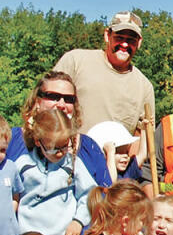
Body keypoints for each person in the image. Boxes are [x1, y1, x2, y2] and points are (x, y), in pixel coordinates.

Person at [12, 108, 101, 235]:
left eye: (64, 146)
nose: (60, 152)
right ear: (38, 142)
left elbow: (89, 194)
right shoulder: (24, 165)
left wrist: (78, 221)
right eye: (54, 148)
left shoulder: (73, 164)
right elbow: (11, 196)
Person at [53, 11, 155, 160]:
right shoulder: (75, 61)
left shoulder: (144, 87)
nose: (125, 44)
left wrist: (129, 172)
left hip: (112, 173)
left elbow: (140, 138)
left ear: (139, 43)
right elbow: (46, 105)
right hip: (66, 160)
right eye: (119, 37)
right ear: (107, 35)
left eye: (131, 40)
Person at [4, 71, 114, 193]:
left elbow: (105, 194)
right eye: (53, 96)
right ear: (37, 102)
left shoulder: (89, 147)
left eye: (68, 99)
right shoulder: (11, 140)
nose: (61, 104)